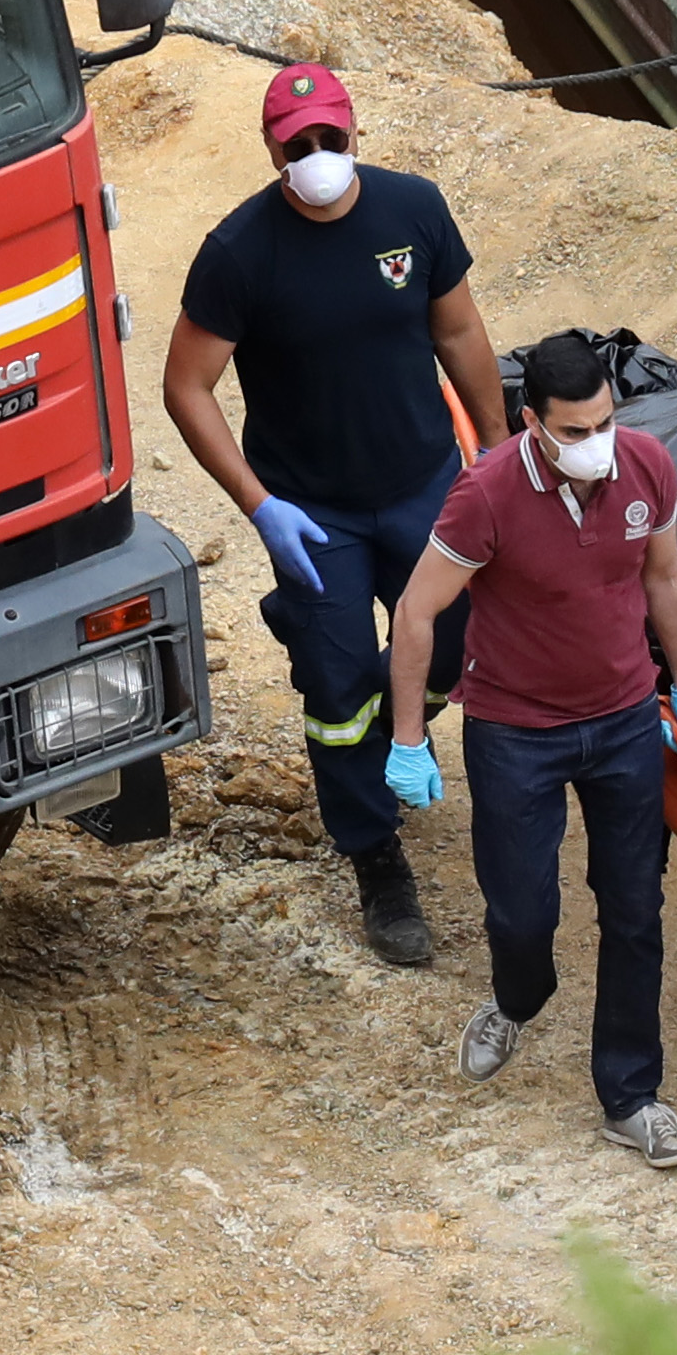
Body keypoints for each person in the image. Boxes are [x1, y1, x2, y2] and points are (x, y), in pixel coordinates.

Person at [164, 62, 508, 968]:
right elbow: (186, 386)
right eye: (298, 145)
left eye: (332, 139)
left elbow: (460, 332)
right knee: (337, 678)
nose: (318, 158)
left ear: (356, 133)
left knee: (455, 642)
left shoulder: (413, 212)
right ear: (273, 150)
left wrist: (502, 454)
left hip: (424, 485)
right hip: (313, 513)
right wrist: (259, 504)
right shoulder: (240, 253)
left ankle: (406, 726)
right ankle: (374, 852)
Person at [380, 334, 677, 1170]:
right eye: (575, 430)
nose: (597, 442)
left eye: (605, 420)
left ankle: (631, 1095)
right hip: (515, 730)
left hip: (624, 719)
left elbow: (664, 578)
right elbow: (417, 612)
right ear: (533, 424)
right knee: (523, 912)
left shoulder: (644, 467)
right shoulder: (486, 494)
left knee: (634, 907)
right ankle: (519, 996)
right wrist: (409, 739)